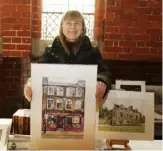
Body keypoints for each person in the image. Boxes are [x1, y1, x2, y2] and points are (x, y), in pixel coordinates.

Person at [24, 10, 111, 106]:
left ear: (83, 28)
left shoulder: (93, 52)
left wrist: (101, 81)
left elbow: (104, 73)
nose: (73, 27)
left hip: (84, 104)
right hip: (57, 103)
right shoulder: (51, 51)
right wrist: (30, 83)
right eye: (68, 23)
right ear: (62, 27)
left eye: (77, 23)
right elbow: (39, 71)